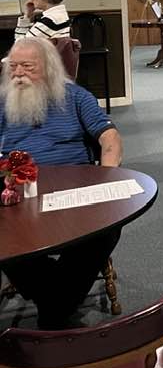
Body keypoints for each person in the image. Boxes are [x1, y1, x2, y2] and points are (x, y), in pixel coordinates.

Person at [0, 37, 124, 328]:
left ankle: (52, 306)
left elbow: (110, 139)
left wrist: (106, 180)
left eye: (27, 67)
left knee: (106, 229)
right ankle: (57, 308)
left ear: (49, 68)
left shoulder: (76, 97)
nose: (18, 73)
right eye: (13, 66)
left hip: (74, 188)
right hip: (17, 190)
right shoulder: (2, 102)